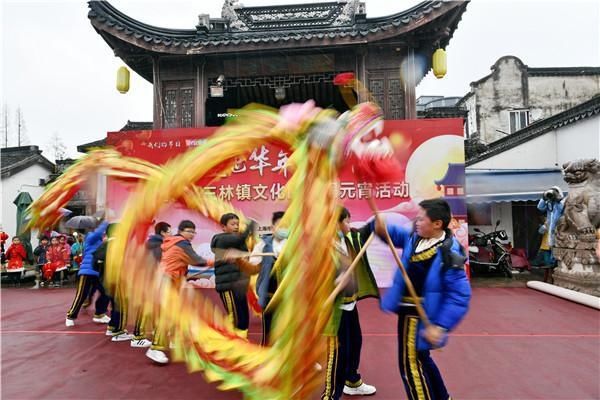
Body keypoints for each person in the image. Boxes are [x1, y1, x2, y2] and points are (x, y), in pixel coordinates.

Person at [375, 198, 471, 400]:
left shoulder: (449, 253)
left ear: (437, 224)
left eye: (421, 219)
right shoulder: (415, 237)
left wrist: (441, 326)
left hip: (420, 313)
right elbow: (394, 234)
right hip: (408, 309)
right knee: (421, 358)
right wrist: (381, 227)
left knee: (410, 365)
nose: (416, 222)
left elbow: (459, 296)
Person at [322, 207, 378, 399]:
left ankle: (352, 382)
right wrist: (335, 281)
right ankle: (330, 395)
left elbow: (365, 231)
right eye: (346, 221)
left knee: (355, 343)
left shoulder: (346, 239)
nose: (349, 224)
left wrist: (378, 223)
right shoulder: (322, 247)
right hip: (334, 308)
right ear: (334, 224)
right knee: (338, 353)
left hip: (349, 303)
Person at [146, 220, 213, 364]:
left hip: (168, 280)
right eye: (189, 231)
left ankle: (170, 340)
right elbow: (198, 261)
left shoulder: (174, 242)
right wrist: (218, 261)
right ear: (181, 231)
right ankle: (155, 348)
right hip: (167, 280)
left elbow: (183, 263)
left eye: (194, 232)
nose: (192, 235)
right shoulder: (182, 243)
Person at [210, 213, 255, 339]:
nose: (236, 227)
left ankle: (242, 338)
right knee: (234, 315)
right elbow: (238, 239)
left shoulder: (239, 242)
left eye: (237, 224)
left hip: (239, 285)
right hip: (227, 284)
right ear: (223, 227)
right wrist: (250, 227)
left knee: (243, 314)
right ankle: (234, 340)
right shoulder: (220, 238)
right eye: (232, 224)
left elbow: (246, 256)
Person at [129, 221, 172, 348]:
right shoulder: (158, 245)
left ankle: (153, 330)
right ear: (163, 233)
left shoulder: (154, 243)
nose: (171, 234)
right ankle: (137, 337)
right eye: (169, 231)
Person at [65, 221, 111, 327]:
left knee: (106, 292)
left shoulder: (101, 241)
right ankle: (70, 315)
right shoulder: (90, 237)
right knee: (81, 295)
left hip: (98, 272)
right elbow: (98, 233)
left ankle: (99, 313)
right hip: (87, 271)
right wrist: (107, 220)